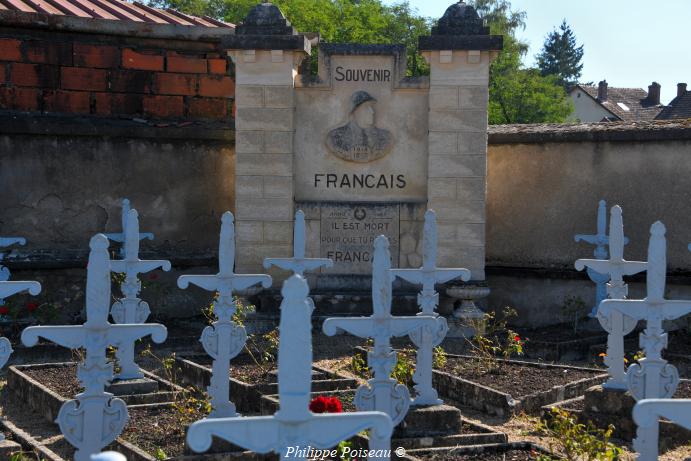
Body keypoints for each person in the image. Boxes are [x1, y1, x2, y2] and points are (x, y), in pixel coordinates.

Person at [326, 91, 393, 163]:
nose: (372, 111)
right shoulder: (335, 137)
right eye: (366, 107)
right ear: (354, 111)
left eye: (371, 107)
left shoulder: (385, 137)